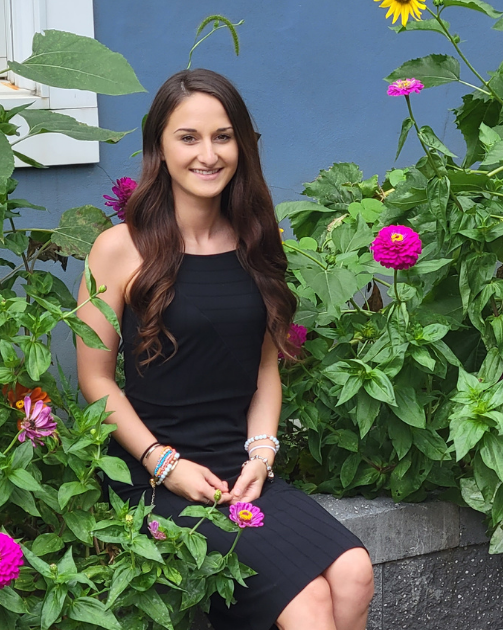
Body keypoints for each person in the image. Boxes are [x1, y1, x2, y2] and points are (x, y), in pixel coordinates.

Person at [76, 68, 374, 630]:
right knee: (309, 604)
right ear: (159, 148)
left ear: (241, 145)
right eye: (188, 137)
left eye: (223, 137)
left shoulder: (255, 240)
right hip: (150, 473)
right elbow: (96, 379)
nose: (208, 155)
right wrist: (164, 464)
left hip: (239, 468)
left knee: (355, 571)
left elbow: (264, 367)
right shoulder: (118, 249)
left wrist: (261, 455)